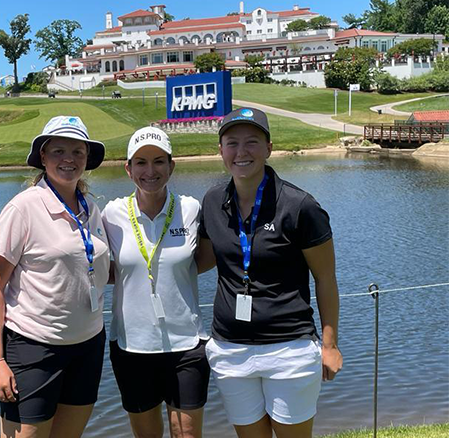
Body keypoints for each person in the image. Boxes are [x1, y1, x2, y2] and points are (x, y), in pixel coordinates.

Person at [196, 108, 342, 438]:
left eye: (252, 142)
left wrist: (330, 344)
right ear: (220, 151)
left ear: (269, 148)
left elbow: (325, 278)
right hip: (230, 352)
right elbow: (202, 260)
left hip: (288, 350)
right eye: (232, 143)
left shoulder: (300, 206)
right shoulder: (212, 201)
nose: (241, 152)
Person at [0, 115, 110, 438]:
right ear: (43, 156)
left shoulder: (90, 208)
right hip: (33, 348)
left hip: (88, 345)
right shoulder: (23, 208)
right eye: (58, 151)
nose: (69, 159)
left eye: (78, 152)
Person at [102, 127, 210, 438]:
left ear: (172, 166)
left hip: (187, 343)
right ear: (128, 169)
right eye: (141, 163)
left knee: (187, 435)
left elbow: (204, 259)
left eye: (159, 161)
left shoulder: (191, 208)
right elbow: (103, 269)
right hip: (132, 346)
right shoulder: (111, 214)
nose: (151, 171)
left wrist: (173, 275)